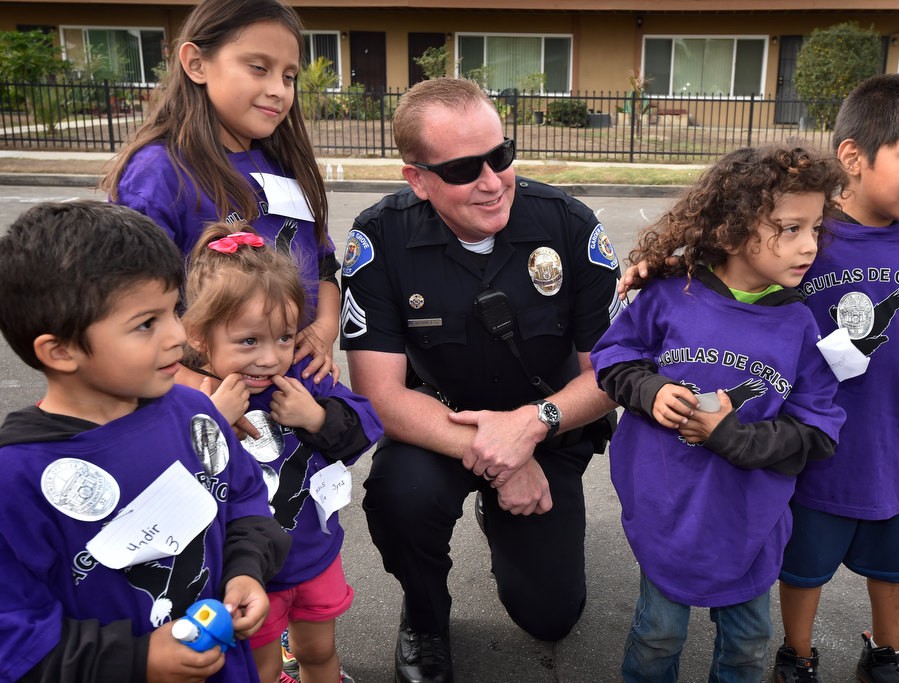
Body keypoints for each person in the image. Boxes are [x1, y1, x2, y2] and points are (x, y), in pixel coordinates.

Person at [620, 74, 899, 683]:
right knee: (798, 565)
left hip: (884, 442)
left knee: (894, 559)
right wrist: (666, 261)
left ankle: (886, 651)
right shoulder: (807, 236)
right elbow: (731, 262)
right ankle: (797, 657)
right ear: (855, 158)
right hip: (798, 457)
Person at [339, 77, 622, 683]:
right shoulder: (380, 239)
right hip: (441, 430)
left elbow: (610, 374)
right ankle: (424, 614)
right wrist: (504, 458)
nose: (493, 181)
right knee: (398, 496)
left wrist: (531, 427)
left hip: (551, 432)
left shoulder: (570, 227)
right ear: (417, 178)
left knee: (550, 617)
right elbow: (381, 396)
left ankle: (505, 521)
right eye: (466, 168)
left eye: (501, 155)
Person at [0, 201, 291, 682]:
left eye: (174, 310)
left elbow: (244, 501)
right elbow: (15, 640)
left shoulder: (196, 413)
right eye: (146, 323)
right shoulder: (17, 477)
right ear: (61, 350)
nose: (178, 335)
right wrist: (137, 660)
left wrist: (245, 571)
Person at [591, 144, 847, 683]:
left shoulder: (800, 326)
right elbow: (614, 357)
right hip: (670, 511)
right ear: (731, 230)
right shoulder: (668, 294)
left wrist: (733, 437)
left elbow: (818, 431)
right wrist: (649, 389)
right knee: (657, 635)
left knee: (748, 645)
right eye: (790, 228)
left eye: (815, 228)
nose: (809, 246)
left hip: (749, 522)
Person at [176, 223, 384, 683]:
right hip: (244, 575)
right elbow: (164, 482)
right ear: (197, 335)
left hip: (314, 553)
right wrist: (211, 421)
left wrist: (316, 417)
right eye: (249, 341)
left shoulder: (305, 380)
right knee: (261, 668)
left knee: (320, 651)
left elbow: (366, 426)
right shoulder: (187, 401)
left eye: (285, 337)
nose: (270, 358)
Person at [101, 0, 340, 385]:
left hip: (294, 392)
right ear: (196, 64)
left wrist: (325, 328)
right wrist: (199, 388)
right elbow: (127, 314)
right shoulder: (158, 173)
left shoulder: (281, 160)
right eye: (259, 68)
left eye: (289, 76)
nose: (278, 90)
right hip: (210, 399)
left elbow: (324, 263)